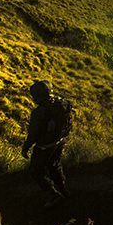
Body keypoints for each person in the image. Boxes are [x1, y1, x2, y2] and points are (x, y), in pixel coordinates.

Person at [22, 80, 70, 208]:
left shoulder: (39, 112)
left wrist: (25, 148)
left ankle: (53, 195)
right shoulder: (62, 103)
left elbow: (33, 134)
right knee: (54, 164)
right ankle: (63, 189)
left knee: (35, 170)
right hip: (60, 141)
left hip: (45, 145)